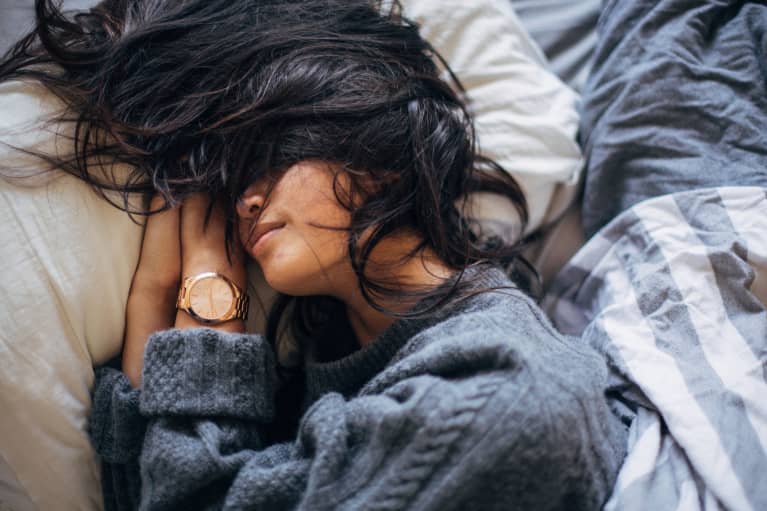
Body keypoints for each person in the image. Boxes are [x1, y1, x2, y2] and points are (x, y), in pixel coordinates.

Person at [1, 0, 627, 509]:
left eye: (269, 157)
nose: (243, 202)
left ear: (382, 144)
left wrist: (210, 308)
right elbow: (145, 491)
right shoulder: (336, 355)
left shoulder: (498, 400)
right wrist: (157, 291)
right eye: (234, 180)